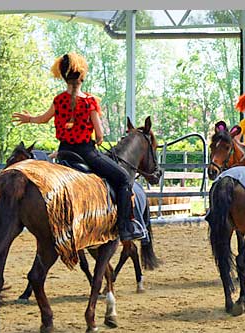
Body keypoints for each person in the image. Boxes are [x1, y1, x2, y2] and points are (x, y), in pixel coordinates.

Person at [11, 51, 145, 241]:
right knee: (123, 179)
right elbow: (99, 135)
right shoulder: (90, 102)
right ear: (81, 77)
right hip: (86, 153)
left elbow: (42, 119)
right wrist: (98, 139)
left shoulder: (58, 100)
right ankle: (125, 226)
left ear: (64, 77)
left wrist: (29, 119)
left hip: (64, 153)